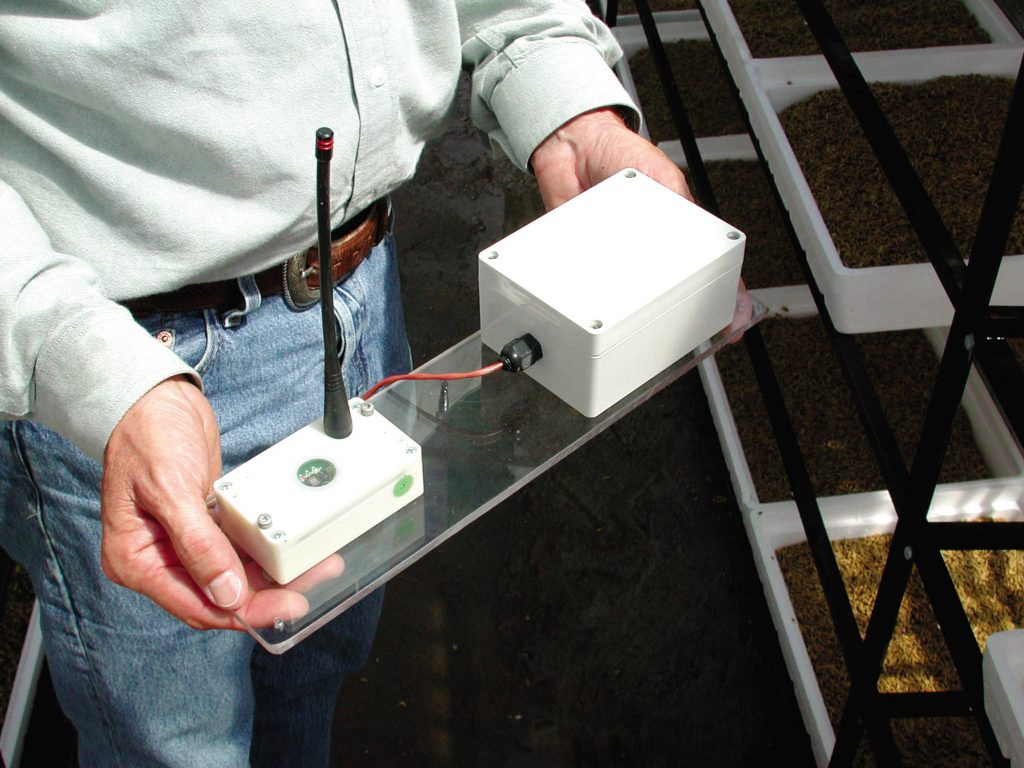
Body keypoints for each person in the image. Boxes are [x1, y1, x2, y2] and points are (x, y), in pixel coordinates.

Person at [0, 1, 692, 765]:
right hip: (124, 361)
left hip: (361, 285)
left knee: (318, 659)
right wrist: (87, 367)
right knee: (177, 743)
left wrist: (568, 106)